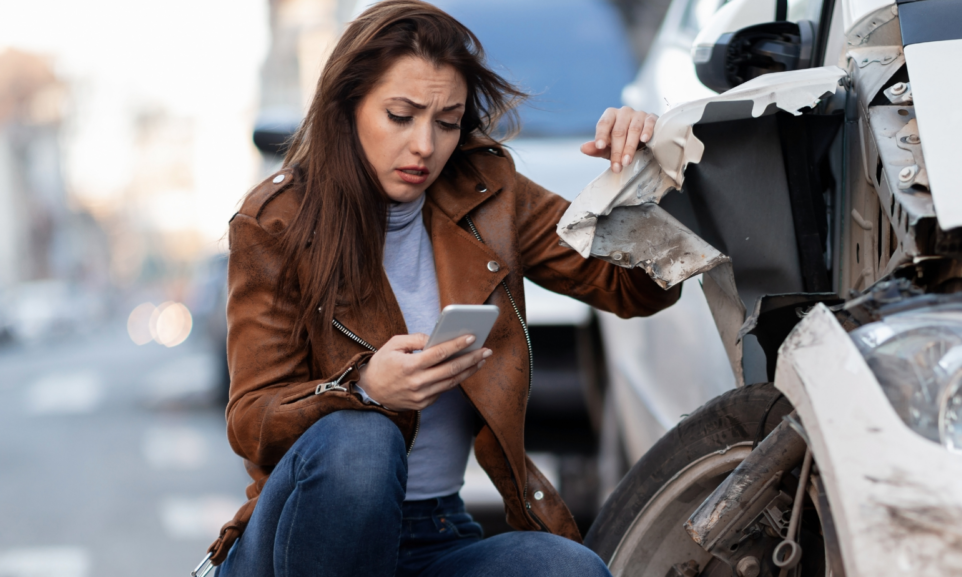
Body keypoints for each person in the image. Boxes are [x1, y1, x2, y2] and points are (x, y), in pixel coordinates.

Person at [210, 1, 679, 575]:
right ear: (348, 108)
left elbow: (634, 290)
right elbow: (251, 419)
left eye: (447, 121)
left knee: (569, 570)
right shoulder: (276, 220)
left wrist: (638, 181)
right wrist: (364, 390)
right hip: (301, 539)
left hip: (436, 533)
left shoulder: (487, 191)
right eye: (401, 116)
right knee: (363, 444)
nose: (425, 147)